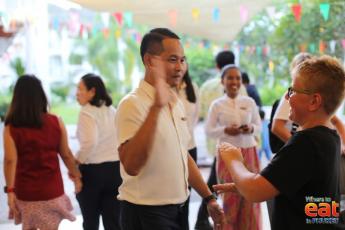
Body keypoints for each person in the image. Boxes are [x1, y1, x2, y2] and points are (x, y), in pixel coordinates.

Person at [214, 55, 345, 230]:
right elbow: (313, 202)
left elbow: (254, 190)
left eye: (293, 91)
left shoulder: (305, 142)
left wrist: (234, 159)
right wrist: (247, 184)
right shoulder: (330, 138)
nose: (287, 97)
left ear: (314, 101)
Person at [115, 28, 225, 230]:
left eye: (183, 60)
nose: (180, 67)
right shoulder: (132, 104)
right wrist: (156, 108)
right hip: (146, 213)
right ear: (149, 61)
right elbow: (131, 165)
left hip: (178, 209)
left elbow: (182, 154)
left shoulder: (175, 101)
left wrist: (209, 198)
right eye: (173, 59)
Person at [3, 74, 82, 230]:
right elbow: (66, 154)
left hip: (26, 193)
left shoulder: (11, 128)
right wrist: (77, 176)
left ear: (17, 98)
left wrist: (10, 191)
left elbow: (10, 161)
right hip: (52, 192)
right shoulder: (56, 122)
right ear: (41, 96)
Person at [205, 64, 262, 230]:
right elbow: (208, 130)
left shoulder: (249, 102)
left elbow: (259, 126)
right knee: (230, 200)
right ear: (222, 81)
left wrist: (250, 128)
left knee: (251, 198)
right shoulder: (217, 105)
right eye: (229, 78)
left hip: (249, 152)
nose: (234, 81)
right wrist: (225, 130)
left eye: (237, 78)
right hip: (227, 156)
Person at [196, 50, 246, 230]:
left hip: (218, 147)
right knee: (224, 188)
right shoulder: (241, 86)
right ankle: (222, 222)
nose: (234, 82)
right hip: (236, 148)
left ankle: (204, 220)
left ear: (217, 66)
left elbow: (200, 114)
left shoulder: (207, 87)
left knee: (217, 186)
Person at [75, 73, 122, 230]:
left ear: (92, 91)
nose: (76, 93)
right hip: (115, 171)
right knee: (114, 222)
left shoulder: (87, 112)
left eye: (80, 89)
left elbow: (89, 142)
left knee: (90, 223)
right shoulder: (111, 110)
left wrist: (77, 161)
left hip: (92, 173)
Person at [174, 68, 200, 229]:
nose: (178, 65)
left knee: (187, 194)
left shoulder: (192, 87)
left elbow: (195, 116)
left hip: (190, 146)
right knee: (173, 196)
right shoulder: (163, 88)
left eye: (182, 60)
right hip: (171, 151)